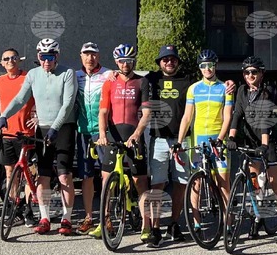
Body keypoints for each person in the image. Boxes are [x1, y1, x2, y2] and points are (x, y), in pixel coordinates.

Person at [0, 38, 78, 235]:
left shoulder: (67, 73)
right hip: (42, 128)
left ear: (57, 56)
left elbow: (67, 104)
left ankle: (66, 219)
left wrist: (55, 127)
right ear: (38, 57)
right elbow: (20, 99)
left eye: (50, 57)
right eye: (43, 57)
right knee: (43, 175)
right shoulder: (33, 74)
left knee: (64, 175)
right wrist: (4, 116)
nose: (46, 61)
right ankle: (44, 217)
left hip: (63, 127)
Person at [226, 56, 277, 246]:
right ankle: (258, 216)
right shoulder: (241, 91)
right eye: (246, 72)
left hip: (267, 141)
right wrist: (231, 137)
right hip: (250, 140)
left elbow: (264, 119)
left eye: (254, 72)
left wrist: (264, 145)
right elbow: (237, 115)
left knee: (274, 184)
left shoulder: (267, 92)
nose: (250, 75)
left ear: (261, 73)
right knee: (255, 184)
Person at [96, 44, 155, 243]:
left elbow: (146, 113)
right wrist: (102, 134)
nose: (125, 64)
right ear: (116, 62)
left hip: (133, 135)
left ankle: (146, 225)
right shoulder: (109, 82)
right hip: (113, 135)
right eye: (121, 61)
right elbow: (103, 111)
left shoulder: (142, 82)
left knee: (140, 181)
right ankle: (104, 222)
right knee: (106, 179)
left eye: (129, 61)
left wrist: (137, 134)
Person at [143, 45, 195, 242]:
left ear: (178, 62)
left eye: (173, 59)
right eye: (165, 59)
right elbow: (128, 75)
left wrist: (229, 84)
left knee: (180, 183)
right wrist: (112, 74)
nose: (169, 62)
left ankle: (173, 224)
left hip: (182, 139)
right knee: (157, 184)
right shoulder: (151, 79)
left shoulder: (188, 80)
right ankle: (156, 227)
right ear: (159, 63)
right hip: (159, 139)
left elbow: (209, 82)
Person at [176, 49, 234, 225]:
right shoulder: (193, 89)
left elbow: (228, 117)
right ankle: (196, 222)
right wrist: (179, 142)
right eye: (203, 66)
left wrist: (221, 139)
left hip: (218, 140)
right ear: (199, 68)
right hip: (199, 141)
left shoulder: (225, 88)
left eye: (210, 65)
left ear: (215, 66)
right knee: (197, 183)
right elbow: (187, 117)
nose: (207, 69)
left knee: (223, 184)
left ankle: (228, 223)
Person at [0, 48, 38, 225]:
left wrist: (38, 116)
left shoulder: (28, 77)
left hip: (26, 133)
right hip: (7, 133)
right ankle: (15, 208)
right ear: (1, 63)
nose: (10, 61)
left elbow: (41, 98)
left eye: (14, 58)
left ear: (19, 60)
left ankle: (29, 210)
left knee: (27, 174)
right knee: (10, 173)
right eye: (6, 59)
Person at [74, 42, 111, 236]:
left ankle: (107, 216)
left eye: (94, 54)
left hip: (103, 132)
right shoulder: (75, 76)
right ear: (81, 56)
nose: (90, 58)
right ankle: (89, 217)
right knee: (86, 176)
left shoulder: (108, 74)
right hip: (83, 132)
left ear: (99, 56)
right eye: (86, 54)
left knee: (106, 175)